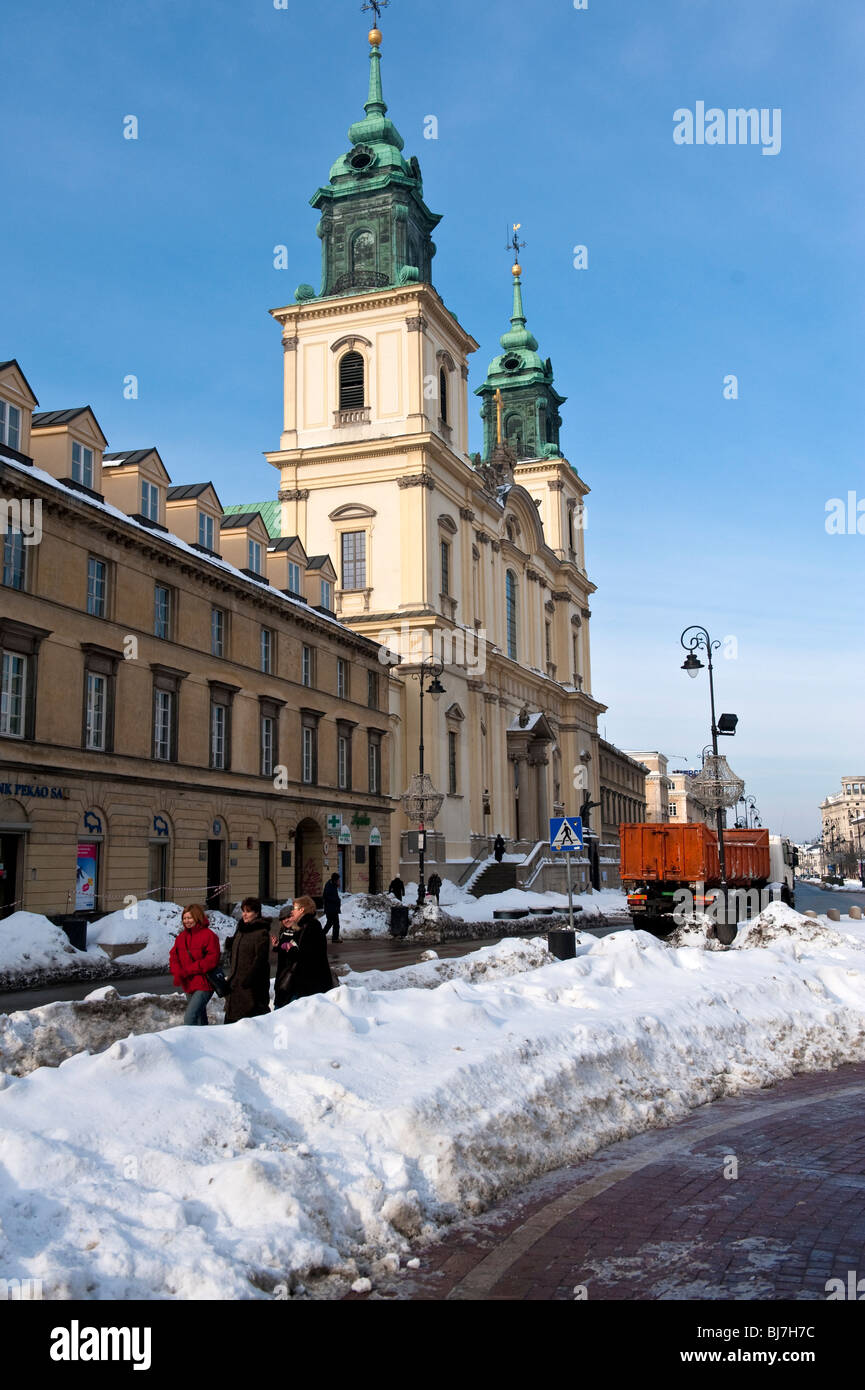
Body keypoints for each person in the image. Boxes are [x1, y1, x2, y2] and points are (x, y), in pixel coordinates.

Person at [273, 896, 333, 1005]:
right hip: (302, 981)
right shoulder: (302, 926)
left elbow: (308, 955)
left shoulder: (311, 926)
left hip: (311, 983)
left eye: (294, 909)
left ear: (302, 910)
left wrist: (290, 949)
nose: (292, 912)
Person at [169, 904, 221, 1026]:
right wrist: (178, 973)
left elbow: (211, 960)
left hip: (204, 983)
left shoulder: (209, 935)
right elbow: (174, 956)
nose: (187, 921)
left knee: (190, 1017)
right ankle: (204, 1042)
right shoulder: (181, 937)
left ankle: (190, 1043)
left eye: (190, 918)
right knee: (199, 1018)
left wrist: (188, 970)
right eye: (185, 918)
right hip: (188, 983)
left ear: (197, 918)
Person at [223, 897, 271, 1024]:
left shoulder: (261, 932)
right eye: (243, 911)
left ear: (256, 913)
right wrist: (230, 944)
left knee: (249, 1022)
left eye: (248, 911)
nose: (244, 914)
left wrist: (250, 978)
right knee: (230, 1021)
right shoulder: (241, 929)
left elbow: (260, 959)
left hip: (250, 986)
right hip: (235, 984)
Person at [322, 872, 341, 944]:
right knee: (332, 923)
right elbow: (326, 896)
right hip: (330, 909)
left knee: (333, 923)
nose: (339, 881)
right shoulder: (329, 886)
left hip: (333, 908)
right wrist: (336, 900)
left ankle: (335, 938)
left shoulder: (332, 885)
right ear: (335, 880)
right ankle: (322, 936)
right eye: (338, 880)